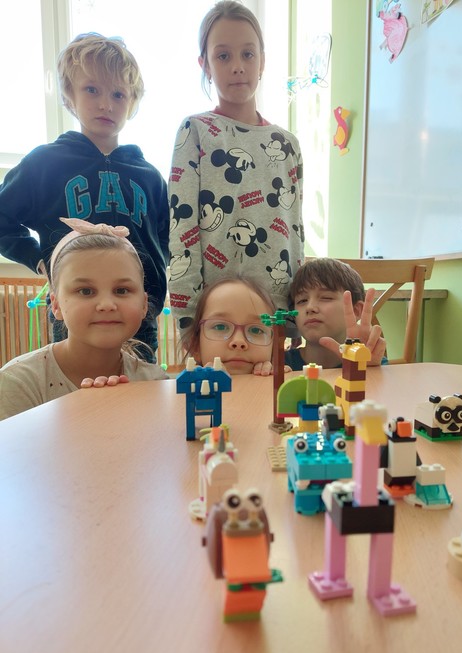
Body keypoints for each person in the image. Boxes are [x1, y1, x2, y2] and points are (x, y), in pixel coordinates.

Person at [0, 33, 169, 359]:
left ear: (132, 101)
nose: (106, 104)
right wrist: (40, 260)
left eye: (118, 94)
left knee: (141, 386)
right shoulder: (44, 163)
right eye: (92, 90)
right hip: (74, 309)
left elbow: (167, 237)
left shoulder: (149, 175)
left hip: (137, 312)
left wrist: (153, 278)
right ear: (69, 95)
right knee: (77, 387)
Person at [168, 0, 304, 331]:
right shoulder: (195, 131)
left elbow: (295, 234)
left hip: (275, 317)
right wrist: (189, 324)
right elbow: (182, 229)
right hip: (216, 317)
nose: (238, 66)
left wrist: (295, 317)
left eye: (248, 54)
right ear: (205, 64)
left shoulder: (287, 144)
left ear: (262, 62)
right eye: (223, 56)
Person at [0, 222, 168, 421]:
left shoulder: (154, 381)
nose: (106, 305)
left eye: (121, 290)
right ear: (56, 305)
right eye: (86, 291)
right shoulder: (18, 383)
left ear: (144, 304)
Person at [285, 257, 387, 370]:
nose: (310, 307)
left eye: (326, 298)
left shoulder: (372, 362)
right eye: (302, 301)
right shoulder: (280, 365)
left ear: (356, 310)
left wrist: (365, 370)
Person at [181, 275, 275, 376]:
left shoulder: (278, 379)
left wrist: (278, 379)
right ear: (196, 347)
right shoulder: (187, 384)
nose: (239, 341)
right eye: (220, 327)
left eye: (256, 330)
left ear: (274, 348)